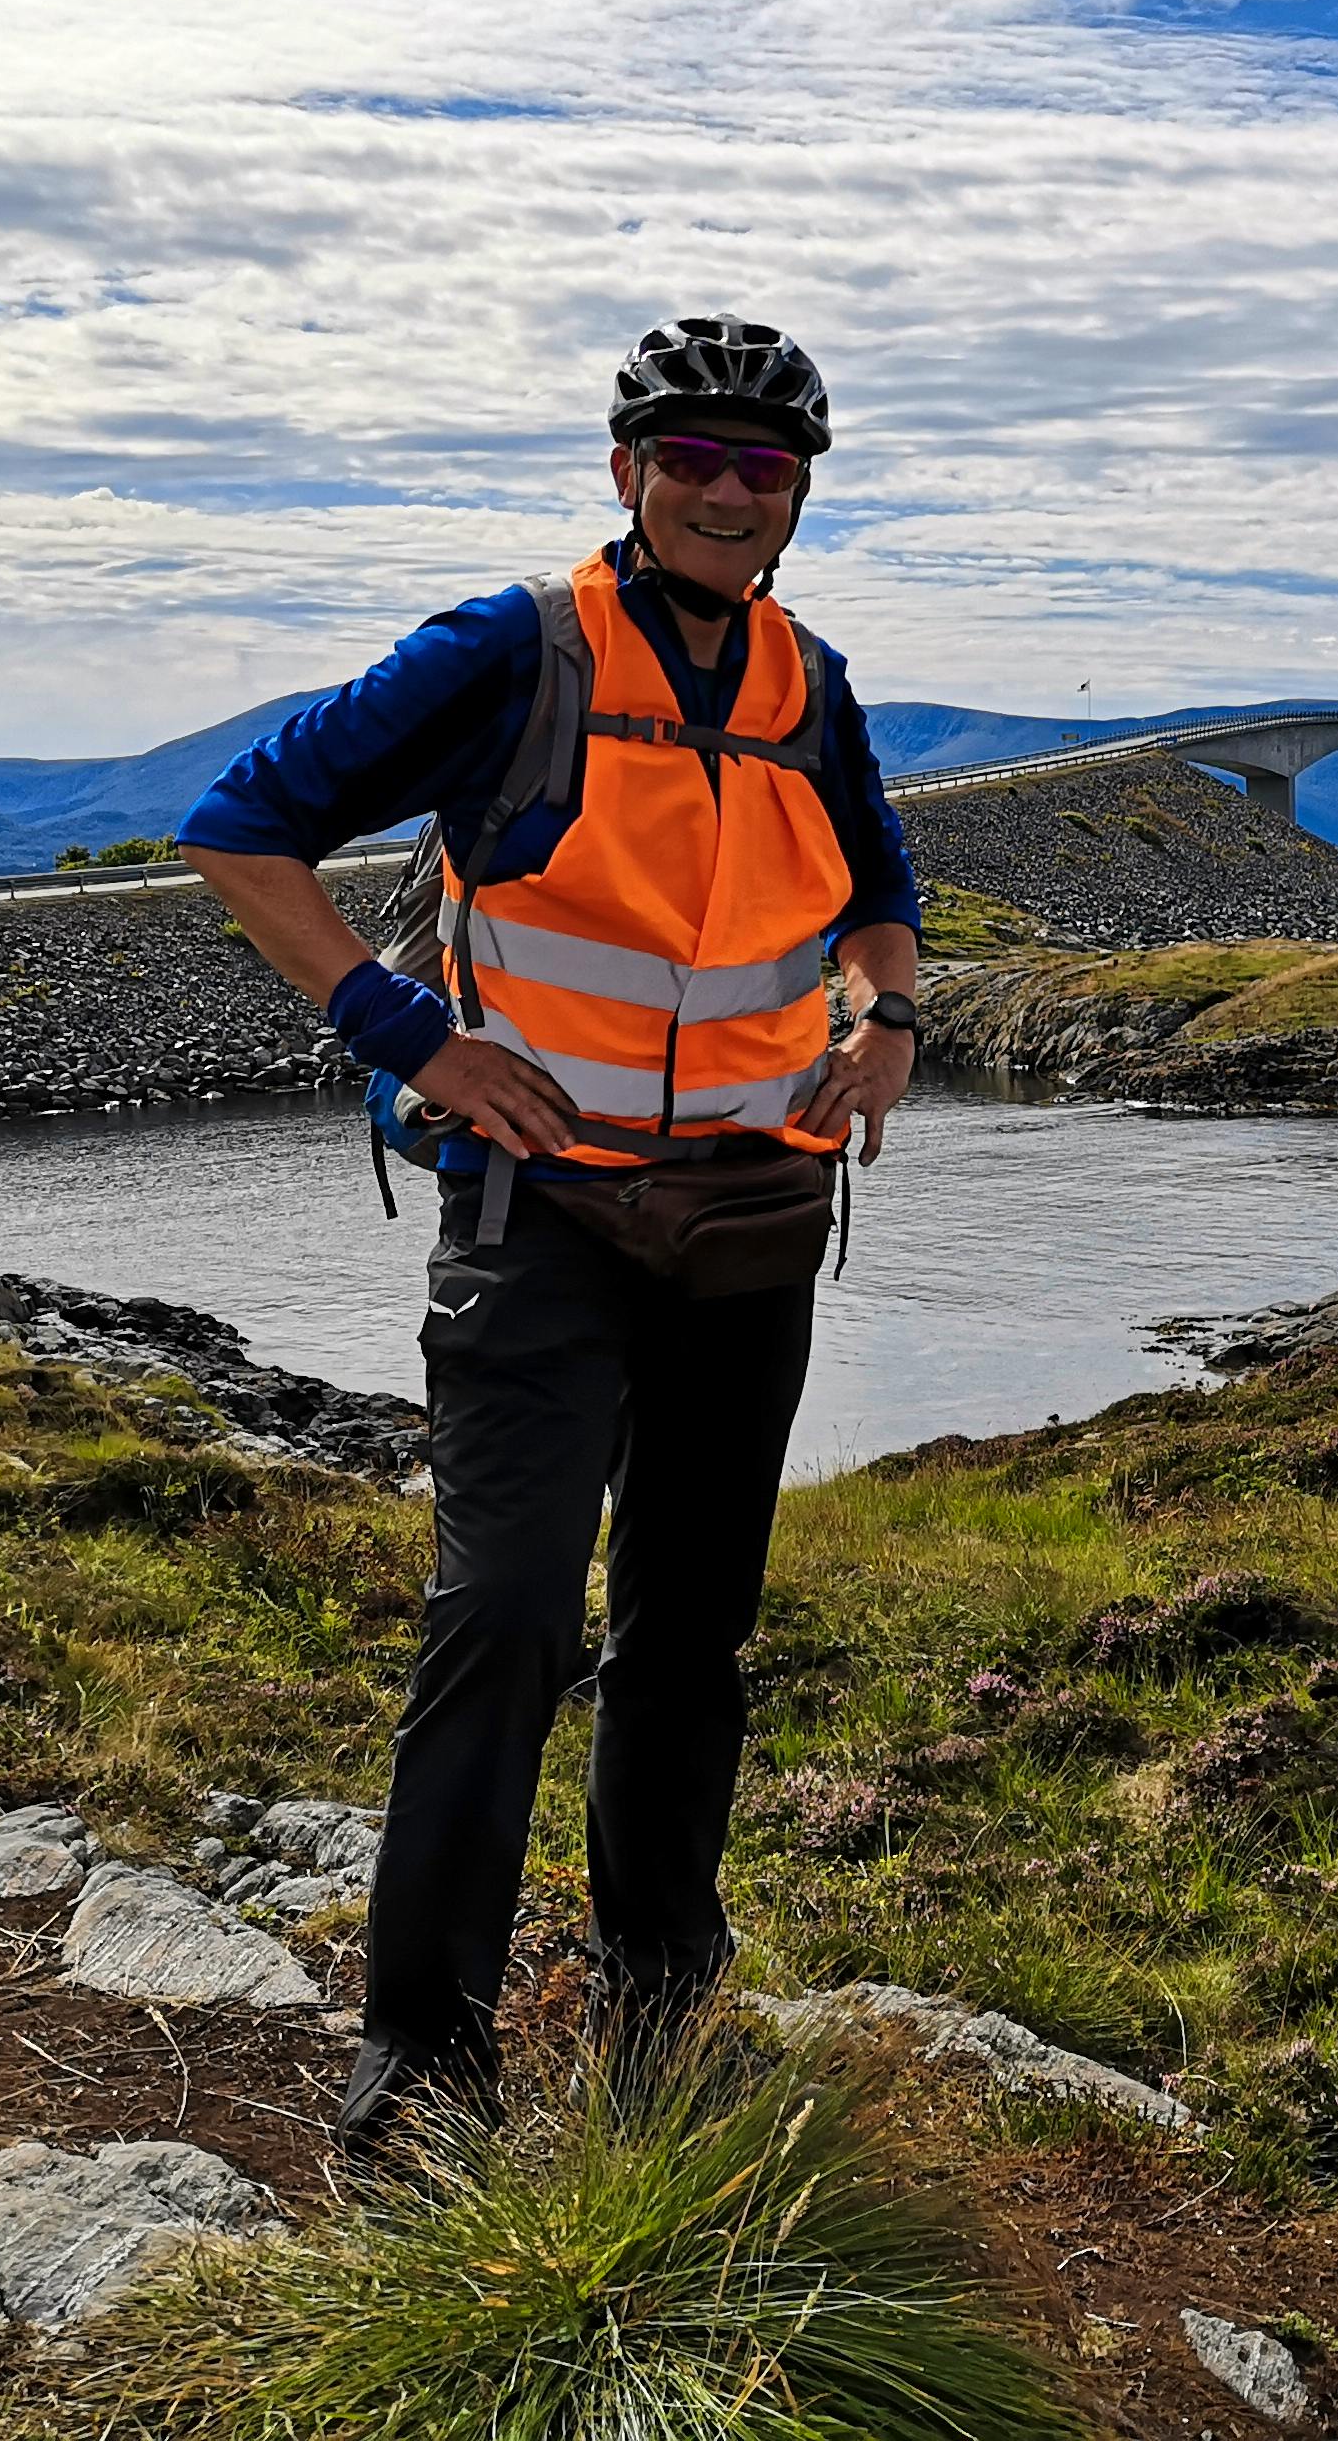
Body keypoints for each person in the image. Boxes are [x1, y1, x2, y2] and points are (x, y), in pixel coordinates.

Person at [177, 315, 923, 2149]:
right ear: (629, 475)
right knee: (505, 1619)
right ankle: (422, 2058)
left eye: (769, 465)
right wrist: (412, 1034)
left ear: (803, 491)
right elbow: (240, 829)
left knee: (691, 1638)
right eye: (697, 458)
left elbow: (880, 889)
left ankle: (662, 2011)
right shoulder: (512, 648)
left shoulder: (807, 680)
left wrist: (889, 1024)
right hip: (546, 1214)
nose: (733, 491)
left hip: (754, 1212)